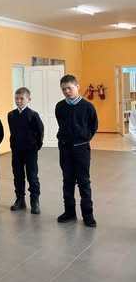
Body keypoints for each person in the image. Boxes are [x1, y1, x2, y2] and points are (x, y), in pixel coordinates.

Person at [55, 74, 98, 227]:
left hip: (81, 149)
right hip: (65, 149)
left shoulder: (88, 107)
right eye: (63, 89)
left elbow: (93, 126)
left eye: (69, 88)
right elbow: (60, 123)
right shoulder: (60, 107)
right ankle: (69, 212)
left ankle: (88, 214)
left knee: (83, 181)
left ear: (77, 87)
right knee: (67, 180)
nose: (67, 92)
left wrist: (82, 139)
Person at [7, 87, 44, 214]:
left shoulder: (33, 115)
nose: (18, 101)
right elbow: (13, 131)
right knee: (18, 176)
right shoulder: (11, 115)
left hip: (30, 151)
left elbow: (40, 131)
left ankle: (35, 201)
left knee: (32, 176)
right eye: (16, 98)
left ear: (29, 99)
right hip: (16, 151)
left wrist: (36, 146)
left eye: (21, 98)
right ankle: (20, 200)